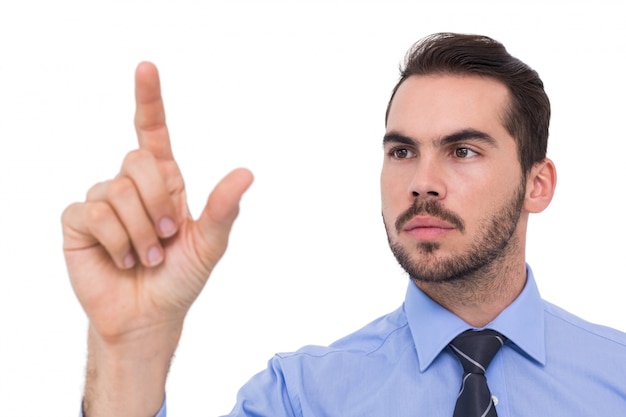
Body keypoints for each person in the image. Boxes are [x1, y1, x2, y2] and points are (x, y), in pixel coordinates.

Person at [62, 32, 626, 416]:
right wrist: (125, 358)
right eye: (403, 152)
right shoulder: (301, 397)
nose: (423, 182)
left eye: (462, 151)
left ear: (538, 183)